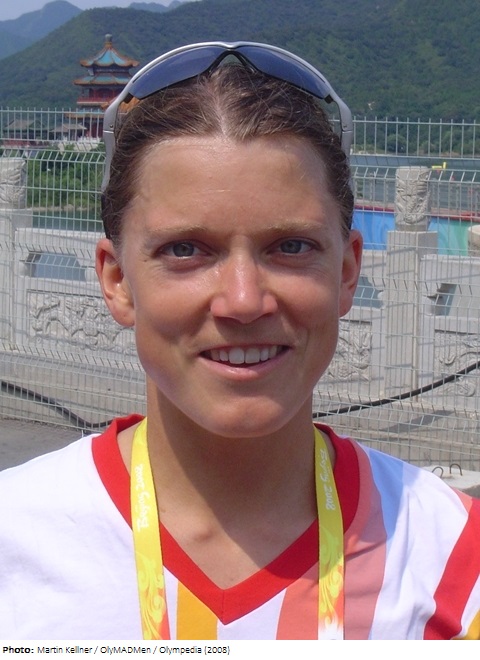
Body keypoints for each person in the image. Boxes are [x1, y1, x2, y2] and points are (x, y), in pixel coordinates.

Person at [0, 41, 479, 641]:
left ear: (347, 272)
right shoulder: (16, 541)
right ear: (117, 281)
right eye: (185, 250)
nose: (244, 300)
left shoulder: (453, 560)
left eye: (292, 247)